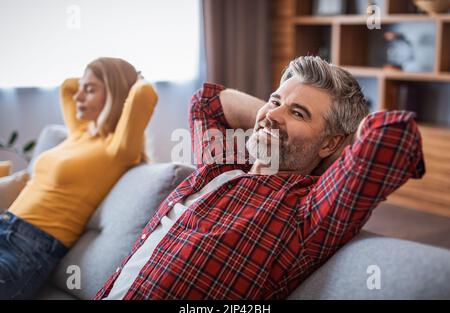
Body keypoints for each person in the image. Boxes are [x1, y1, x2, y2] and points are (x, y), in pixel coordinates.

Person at [95, 56, 425, 300]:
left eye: (299, 113)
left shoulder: (305, 211)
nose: (273, 113)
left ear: (331, 143)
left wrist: (319, 145)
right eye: (275, 100)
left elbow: (393, 138)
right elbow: (207, 102)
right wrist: (273, 120)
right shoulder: (223, 167)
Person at [0, 57, 158, 299]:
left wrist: (131, 80)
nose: (78, 97)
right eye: (83, 88)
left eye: (90, 90)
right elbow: (67, 87)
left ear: (115, 96)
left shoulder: (117, 150)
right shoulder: (81, 133)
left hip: (28, 249)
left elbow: (144, 95)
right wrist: (92, 81)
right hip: (5, 226)